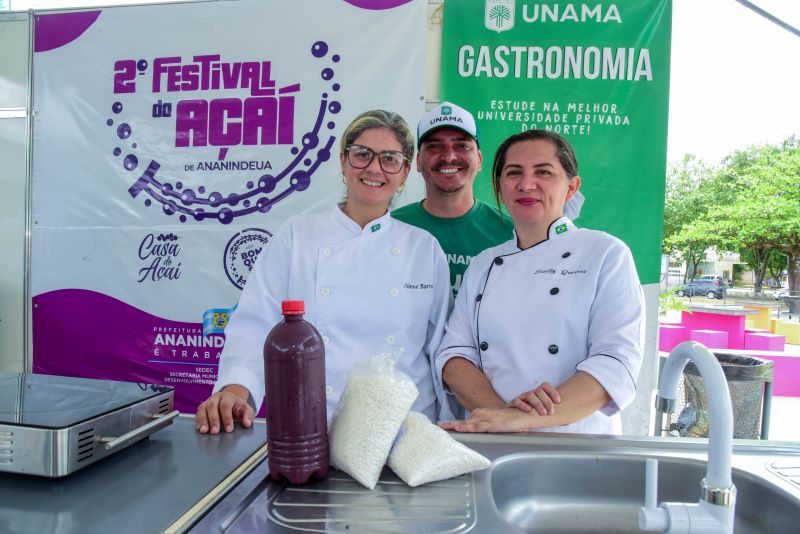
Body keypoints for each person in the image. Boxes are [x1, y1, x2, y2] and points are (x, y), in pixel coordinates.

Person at [195, 110, 452, 434]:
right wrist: (236, 388)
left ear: (403, 174)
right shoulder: (297, 236)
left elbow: (442, 350)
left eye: (390, 158)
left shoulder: (423, 249)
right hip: (316, 426)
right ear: (343, 163)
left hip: (406, 431)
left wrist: (452, 429)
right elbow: (255, 322)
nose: (374, 168)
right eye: (362, 155)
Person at [437, 129, 645, 434]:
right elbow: (454, 354)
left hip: (578, 446)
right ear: (499, 186)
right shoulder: (483, 264)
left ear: (572, 187)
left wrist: (528, 419)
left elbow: (615, 361)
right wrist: (503, 416)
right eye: (513, 173)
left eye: (543, 172)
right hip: (494, 437)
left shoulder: (605, 254)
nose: (526, 184)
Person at [392, 102, 514, 297]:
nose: (448, 156)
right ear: (417, 162)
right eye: (434, 146)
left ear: (480, 160)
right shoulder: (391, 227)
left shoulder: (511, 234)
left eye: (462, 145)